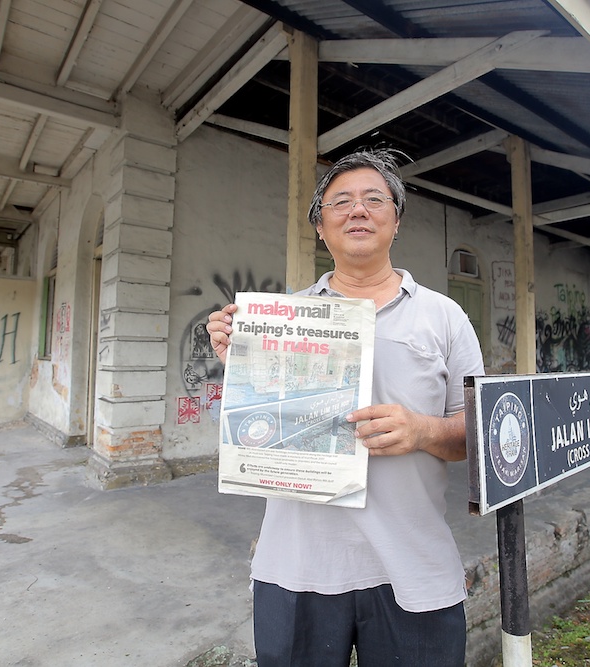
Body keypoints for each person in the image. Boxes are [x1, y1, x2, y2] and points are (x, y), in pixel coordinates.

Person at [206, 148, 484, 666]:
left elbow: (480, 435)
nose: (358, 211)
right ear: (320, 226)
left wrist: (423, 431)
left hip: (413, 566)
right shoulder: (283, 322)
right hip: (297, 567)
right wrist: (239, 363)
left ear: (395, 221)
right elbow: (259, 434)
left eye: (374, 200)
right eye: (341, 202)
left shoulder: (445, 317)